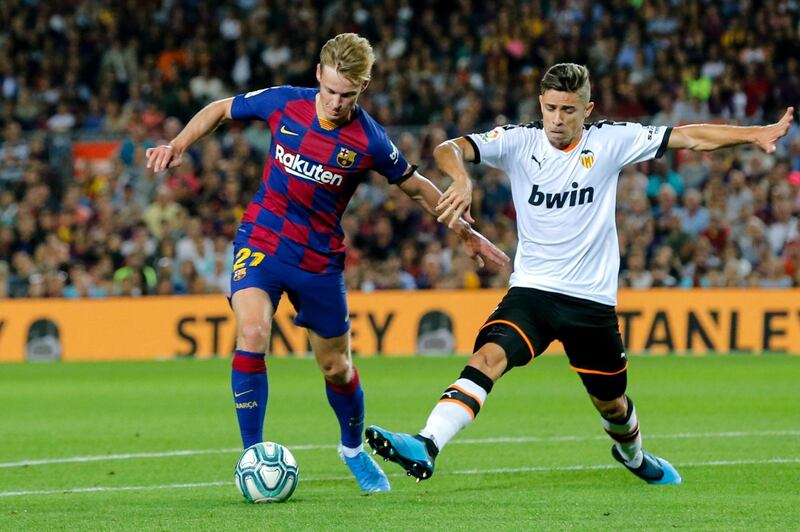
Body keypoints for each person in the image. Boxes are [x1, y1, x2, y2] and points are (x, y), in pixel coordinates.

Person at [367, 63, 794, 485]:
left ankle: (634, 455)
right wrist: (460, 178)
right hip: (532, 292)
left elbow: (689, 136)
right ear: (540, 104)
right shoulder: (518, 142)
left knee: (611, 404)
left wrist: (753, 134)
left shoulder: (611, 140)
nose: (557, 118)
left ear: (587, 109)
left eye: (568, 110)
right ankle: (427, 443)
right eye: (551, 107)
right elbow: (448, 147)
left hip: (591, 302)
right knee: (487, 358)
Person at [145, 33, 509, 494]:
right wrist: (178, 143)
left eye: (347, 94)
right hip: (262, 239)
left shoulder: (370, 139)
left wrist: (467, 234)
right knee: (254, 331)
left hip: (318, 260)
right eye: (331, 90)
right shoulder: (284, 103)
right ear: (318, 74)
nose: (336, 102)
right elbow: (220, 108)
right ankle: (252, 454)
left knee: (336, 367)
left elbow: (416, 186)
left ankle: (352, 449)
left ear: (364, 87)